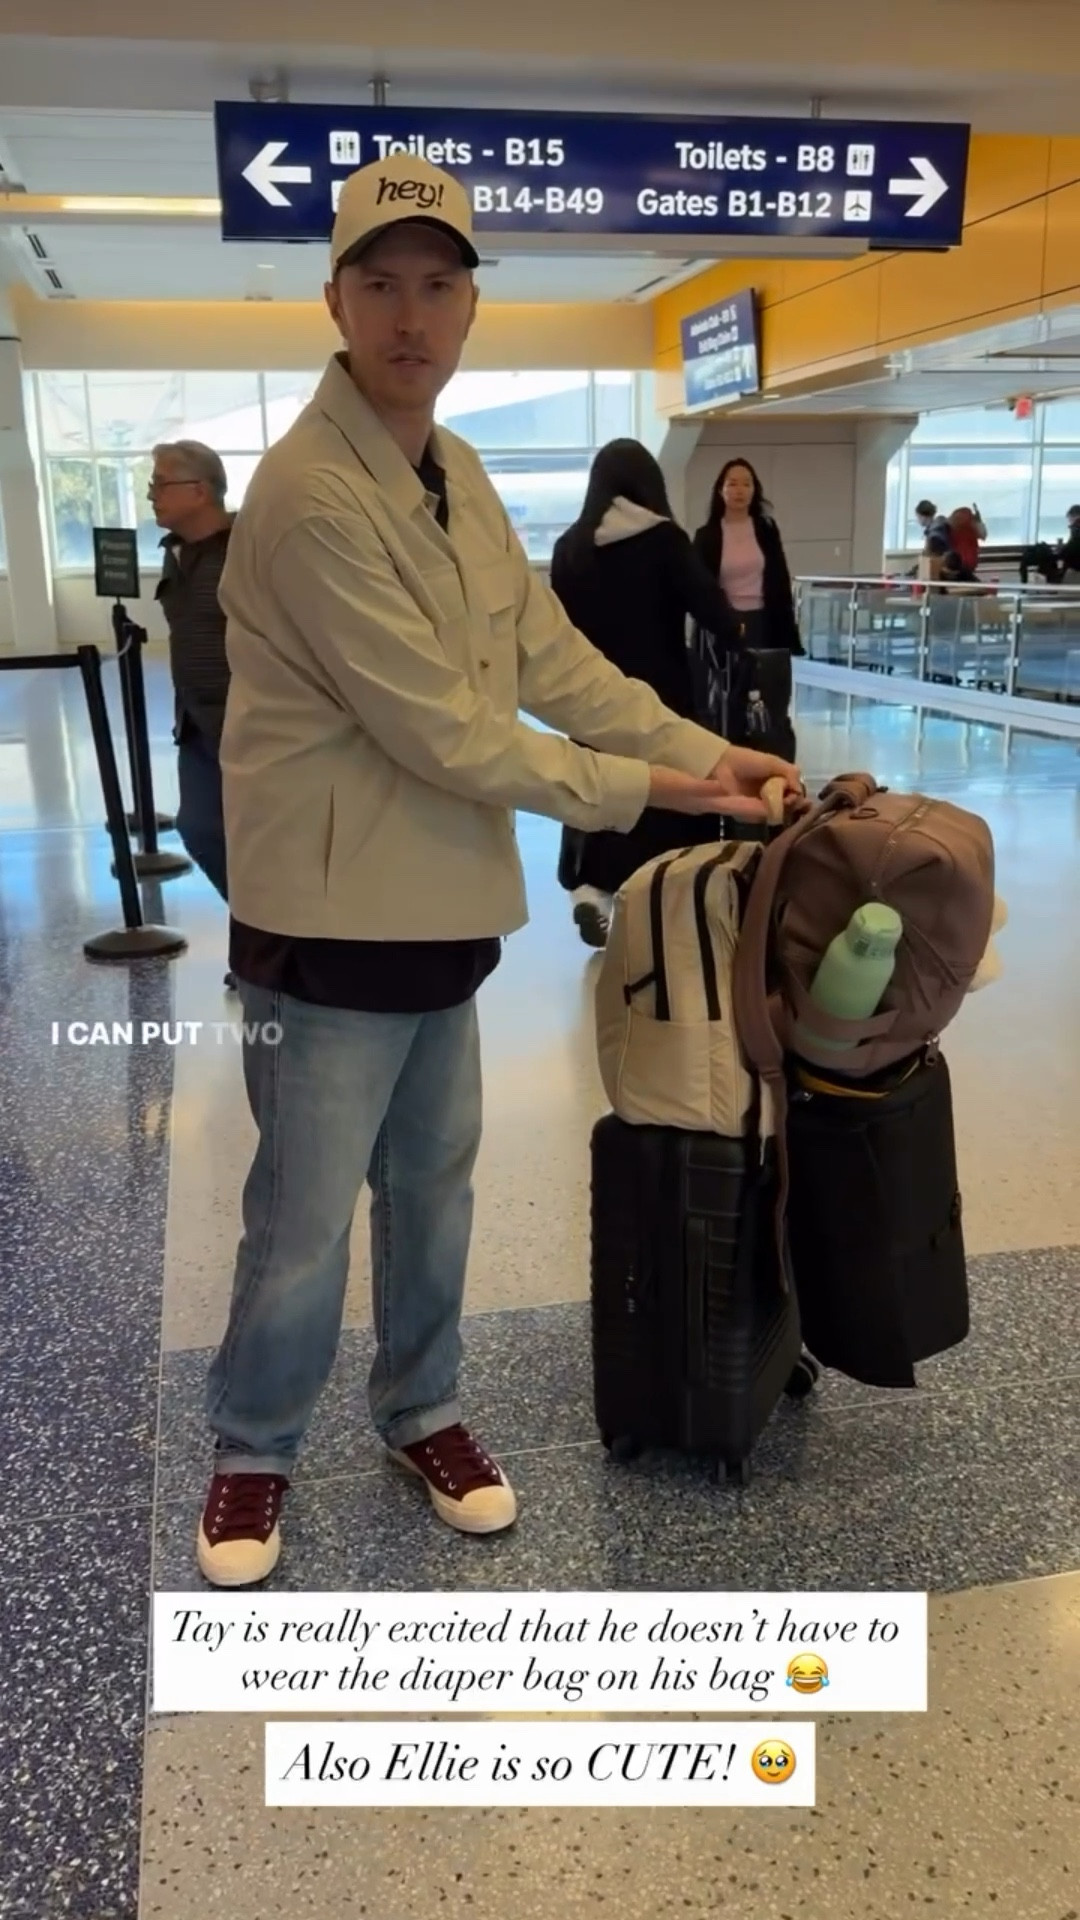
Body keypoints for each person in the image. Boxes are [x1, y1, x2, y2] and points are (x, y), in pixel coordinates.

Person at [196, 151, 802, 1587]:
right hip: (329, 921)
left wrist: (712, 748)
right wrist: (673, 786)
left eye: (439, 287)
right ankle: (253, 1447)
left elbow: (556, 666)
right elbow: (453, 734)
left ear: (470, 310)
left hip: (442, 917)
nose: (411, 316)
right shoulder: (306, 495)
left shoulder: (455, 475)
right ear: (336, 303)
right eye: (380, 285)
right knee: (302, 1211)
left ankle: (423, 1410)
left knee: (436, 1186)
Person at [549, 438, 742, 949]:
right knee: (666, 793)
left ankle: (592, 889)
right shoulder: (663, 541)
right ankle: (662, 900)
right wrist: (736, 639)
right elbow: (712, 611)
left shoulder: (570, 546)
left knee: (597, 785)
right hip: (660, 694)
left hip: (587, 696)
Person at [151, 439, 236, 989]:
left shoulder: (247, 548)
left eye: (160, 484)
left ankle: (272, 947)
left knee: (260, 842)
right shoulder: (175, 552)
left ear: (199, 490)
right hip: (197, 725)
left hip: (250, 726)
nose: (152, 496)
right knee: (201, 829)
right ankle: (264, 935)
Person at [691, 458, 801, 763]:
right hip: (726, 627)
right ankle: (736, 765)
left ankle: (779, 768)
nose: (739, 490)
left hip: (764, 622)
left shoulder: (766, 529)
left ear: (755, 490)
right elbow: (701, 588)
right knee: (731, 703)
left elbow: (779, 577)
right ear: (720, 490)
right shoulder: (707, 535)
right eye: (732, 483)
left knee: (772, 702)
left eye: (746, 483)